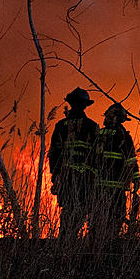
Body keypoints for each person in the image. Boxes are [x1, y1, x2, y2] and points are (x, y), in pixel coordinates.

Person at [49, 87, 99, 238]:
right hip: (82, 178)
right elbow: (98, 154)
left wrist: (56, 175)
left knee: (70, 210)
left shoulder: (61, 125)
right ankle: (72, 242)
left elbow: (54, 153)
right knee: (80, 209)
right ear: (85, 105)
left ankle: (66, 241)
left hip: (70, 177)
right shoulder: (91, 126)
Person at [90, 103, 139, 238]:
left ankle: (95, 242)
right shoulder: (122, 135)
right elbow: (130, 158)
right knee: (117, 215)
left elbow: (91, 159)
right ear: (119, 119)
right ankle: (110, 240)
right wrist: (136, 178)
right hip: (116, 186)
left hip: (98, 186)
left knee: (97, 217)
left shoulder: (98, 135)